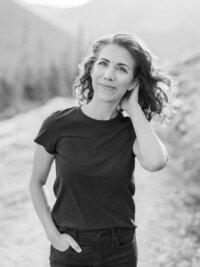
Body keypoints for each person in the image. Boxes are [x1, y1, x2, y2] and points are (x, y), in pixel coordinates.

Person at [29, 33, 176, 267]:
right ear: (92, 69)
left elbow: (156, 162)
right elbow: (36, 182)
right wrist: (53, 236)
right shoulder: (58, 124)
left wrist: (133, 109)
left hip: (120, 250)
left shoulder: (131, 131)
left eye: (121, 69)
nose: (108, 75)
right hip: (70, 250)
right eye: (103, 64)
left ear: (133, 82)